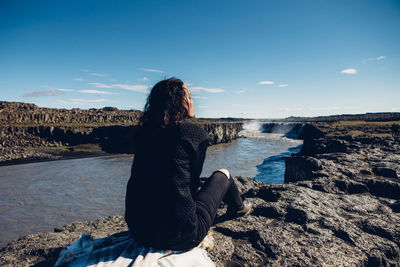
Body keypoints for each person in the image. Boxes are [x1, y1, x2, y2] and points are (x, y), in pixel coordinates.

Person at [125, 78, 251, 251]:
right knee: (223, 174)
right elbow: (191, 183)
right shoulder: (193, 133)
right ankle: (239, 208)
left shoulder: (143, 133)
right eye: (189, 96)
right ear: (179, 101)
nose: (192, 101)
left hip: (139, 231)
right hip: (181, 235)